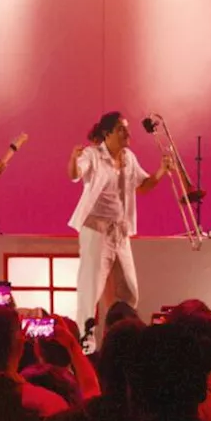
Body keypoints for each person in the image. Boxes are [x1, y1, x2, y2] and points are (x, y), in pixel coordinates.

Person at [66, 111, 172, 332]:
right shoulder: (92, 154)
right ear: (107, 133)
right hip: (96, 231)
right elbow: (74, 174)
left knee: (129, 291)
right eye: (121, 129)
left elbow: (143, 186)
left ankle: (121, 338)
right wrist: (73, 159)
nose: (127, 132)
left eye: (127, 128)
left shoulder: (129, 158)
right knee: (90, 292)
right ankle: (84, 344)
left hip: (120, 233)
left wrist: (161, 170)